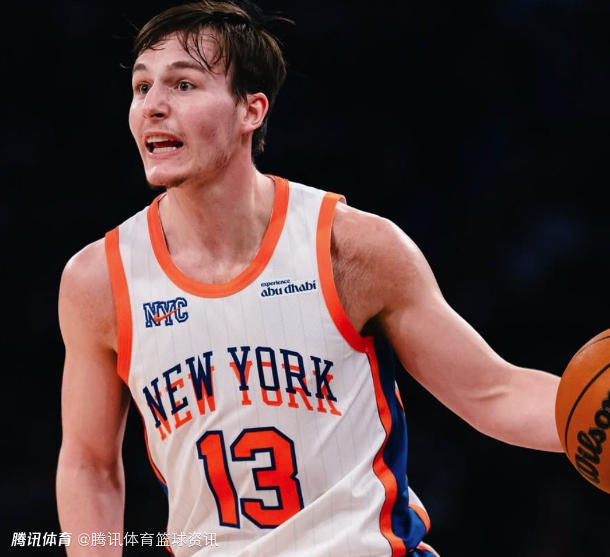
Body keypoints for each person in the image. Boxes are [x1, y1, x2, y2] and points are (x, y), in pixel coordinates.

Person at [55, 1, 563, 555]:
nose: (152, 106)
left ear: (251, 110)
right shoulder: (99, 281)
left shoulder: (352, 248)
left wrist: (594, 416)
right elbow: (88, 465)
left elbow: (494, 392)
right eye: (141, 86)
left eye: (183, 85)